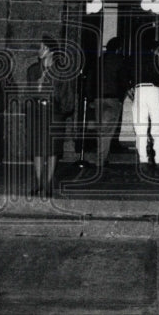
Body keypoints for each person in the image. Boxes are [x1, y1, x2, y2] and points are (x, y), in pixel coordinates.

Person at [23, 35, 75, 198]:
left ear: (49, 50)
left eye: (42, 47)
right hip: (37, 112)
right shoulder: (33, 70)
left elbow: (68, 94)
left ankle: (48, 184)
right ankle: (39, 183)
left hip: (54, 112)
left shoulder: (61, 71)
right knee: (37, 149)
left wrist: (61, 109)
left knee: (52, 149)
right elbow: (28, 92)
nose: (39, 50)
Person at [85, 36, 130, 167]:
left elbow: (90, 79)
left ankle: (101, 157)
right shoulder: (120, 61)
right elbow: (123, 81)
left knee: (100, 130)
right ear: (118, 49)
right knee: (107, 131)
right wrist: (121, 99)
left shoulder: (99, 60)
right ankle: (101, 160)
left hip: (99, 99)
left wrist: (91, 97)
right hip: (113, 99)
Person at [129, 37, 159, 168]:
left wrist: (129, 88)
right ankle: (158, 159)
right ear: (154, 49)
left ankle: (143, 159)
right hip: (154, 90)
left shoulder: (134, 60)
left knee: (140, 126)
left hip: (139, 90)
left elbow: (124, 75)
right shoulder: (157, 59)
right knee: (158, 124)